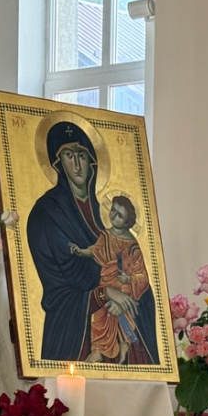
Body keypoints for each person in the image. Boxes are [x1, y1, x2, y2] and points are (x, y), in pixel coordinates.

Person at [25, 121, 140, 361]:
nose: (77, 165)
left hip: (117, 310)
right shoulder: (47, 213)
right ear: (58, 163)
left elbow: (131, 264)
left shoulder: (107, 212)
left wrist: (125, 290)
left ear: (92, 162)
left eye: (82, 155)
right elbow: (66, 278)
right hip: (71, 324)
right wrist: (105, 293)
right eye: (69, 155)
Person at [68, 194, 159, 365]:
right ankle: (105, 349)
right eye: (113, 211)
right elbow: (95, 250)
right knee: (101, 314)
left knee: (116, 309)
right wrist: (81, 251)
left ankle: (112, 347)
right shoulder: (106, 235)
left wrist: (129, 279)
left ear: (127, 222)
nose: (113, 216)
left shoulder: (133, 244)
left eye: (119, 216)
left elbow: (142, 275)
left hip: (124, 285)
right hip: (107, 283)